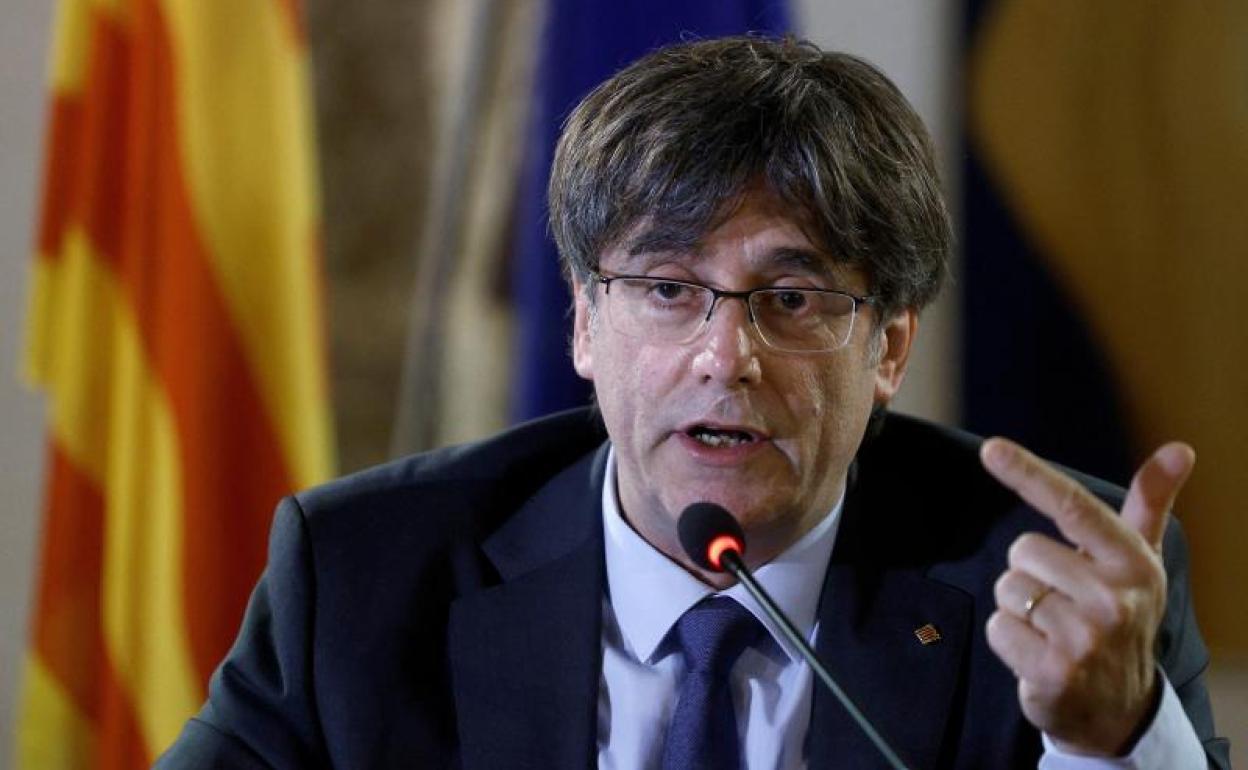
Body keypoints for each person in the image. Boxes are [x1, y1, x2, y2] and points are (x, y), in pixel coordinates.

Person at [157, 36, 1229, 768]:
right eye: (668, 290)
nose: (727, 356)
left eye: (792, 298)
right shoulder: (365, 574)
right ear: (584, 321)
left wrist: (1110, 742)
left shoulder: (1060, 594)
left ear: (890, 346)